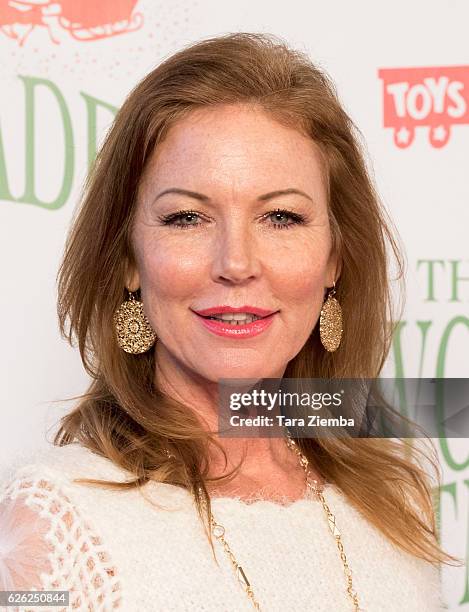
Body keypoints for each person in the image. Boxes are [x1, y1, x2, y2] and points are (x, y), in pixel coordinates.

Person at [0, 32, 459, 611]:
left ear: (335, 259)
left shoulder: (398, 496)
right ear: (128, 261)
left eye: (282, 217)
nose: (236, 264)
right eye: (187, 217)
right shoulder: (52, 520)